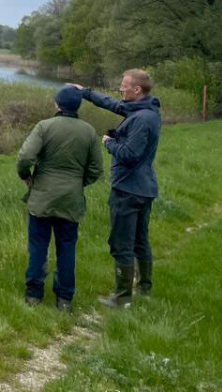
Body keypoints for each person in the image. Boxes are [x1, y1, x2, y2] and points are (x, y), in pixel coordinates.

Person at [72, 69, 161, 308]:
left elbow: (130, 154)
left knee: (123, 242)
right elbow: (113, 104)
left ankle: (122, 298)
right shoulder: (146, 110)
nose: (120, 88)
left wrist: (109, 142)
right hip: (144, 188)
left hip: (129, 189)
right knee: (141, 240)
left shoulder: (141, 119)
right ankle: (144, 290)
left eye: (124, 85)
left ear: (137, 90)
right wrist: (86, 94)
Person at [17, 85, 103, 312]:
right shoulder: (89, 131)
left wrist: (26, 176)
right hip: (71, 200)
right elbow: (96, 169)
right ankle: (64, 300)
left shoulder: (44, 126)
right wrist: (77, 183)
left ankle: (33, 295)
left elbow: (25, 156)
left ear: (57, 104)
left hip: (42, 199)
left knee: (38, 247)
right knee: (66, 249)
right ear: (78, 106)